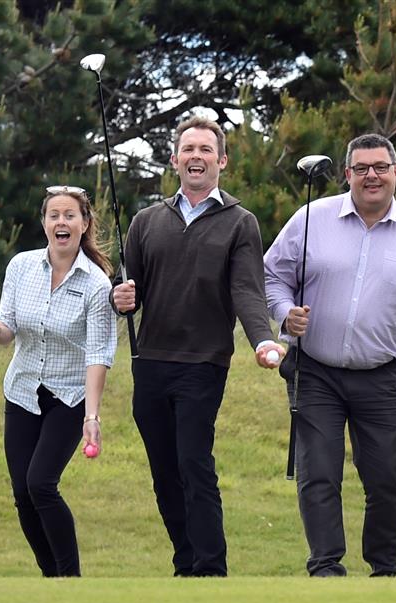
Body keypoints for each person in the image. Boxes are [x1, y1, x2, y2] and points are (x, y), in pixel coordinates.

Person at [262, 134, 396, 577]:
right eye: (362, 168)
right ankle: (325, 568)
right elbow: (273, 275)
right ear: (347, 174)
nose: (372, 175)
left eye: (380, 167)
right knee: (319, 474)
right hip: (315, 372)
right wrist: (284, 313)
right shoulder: (311, 218)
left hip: (382, 375)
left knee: (388, 478)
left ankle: (386, 570)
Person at [111, 113, 285, 577]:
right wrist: (120, 296)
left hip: (203, 363)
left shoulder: (239, 222)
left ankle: (211, 570)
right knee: (165, 473)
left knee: (194, 463)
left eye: (206, 149)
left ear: (221, 161)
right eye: (188, 149)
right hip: (150, 361)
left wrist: (263, 341)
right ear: (174, 159)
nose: (196, 156)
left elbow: (247, 290)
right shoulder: (146, 221)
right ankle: (185, 563)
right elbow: (130, 290)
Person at [0, 186, 117, 577]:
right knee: (22, 494)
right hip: (22, 391)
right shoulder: (21, 266)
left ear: (84, 225)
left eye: (70, 216)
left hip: (68, 398)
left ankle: (70, 580)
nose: (61, 222)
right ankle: (51, 580)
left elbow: (98, 354)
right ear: (44, 223)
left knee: (41, 485)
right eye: (54, 215)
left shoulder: (98, 285)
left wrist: (92, 415)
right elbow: (8, 330)